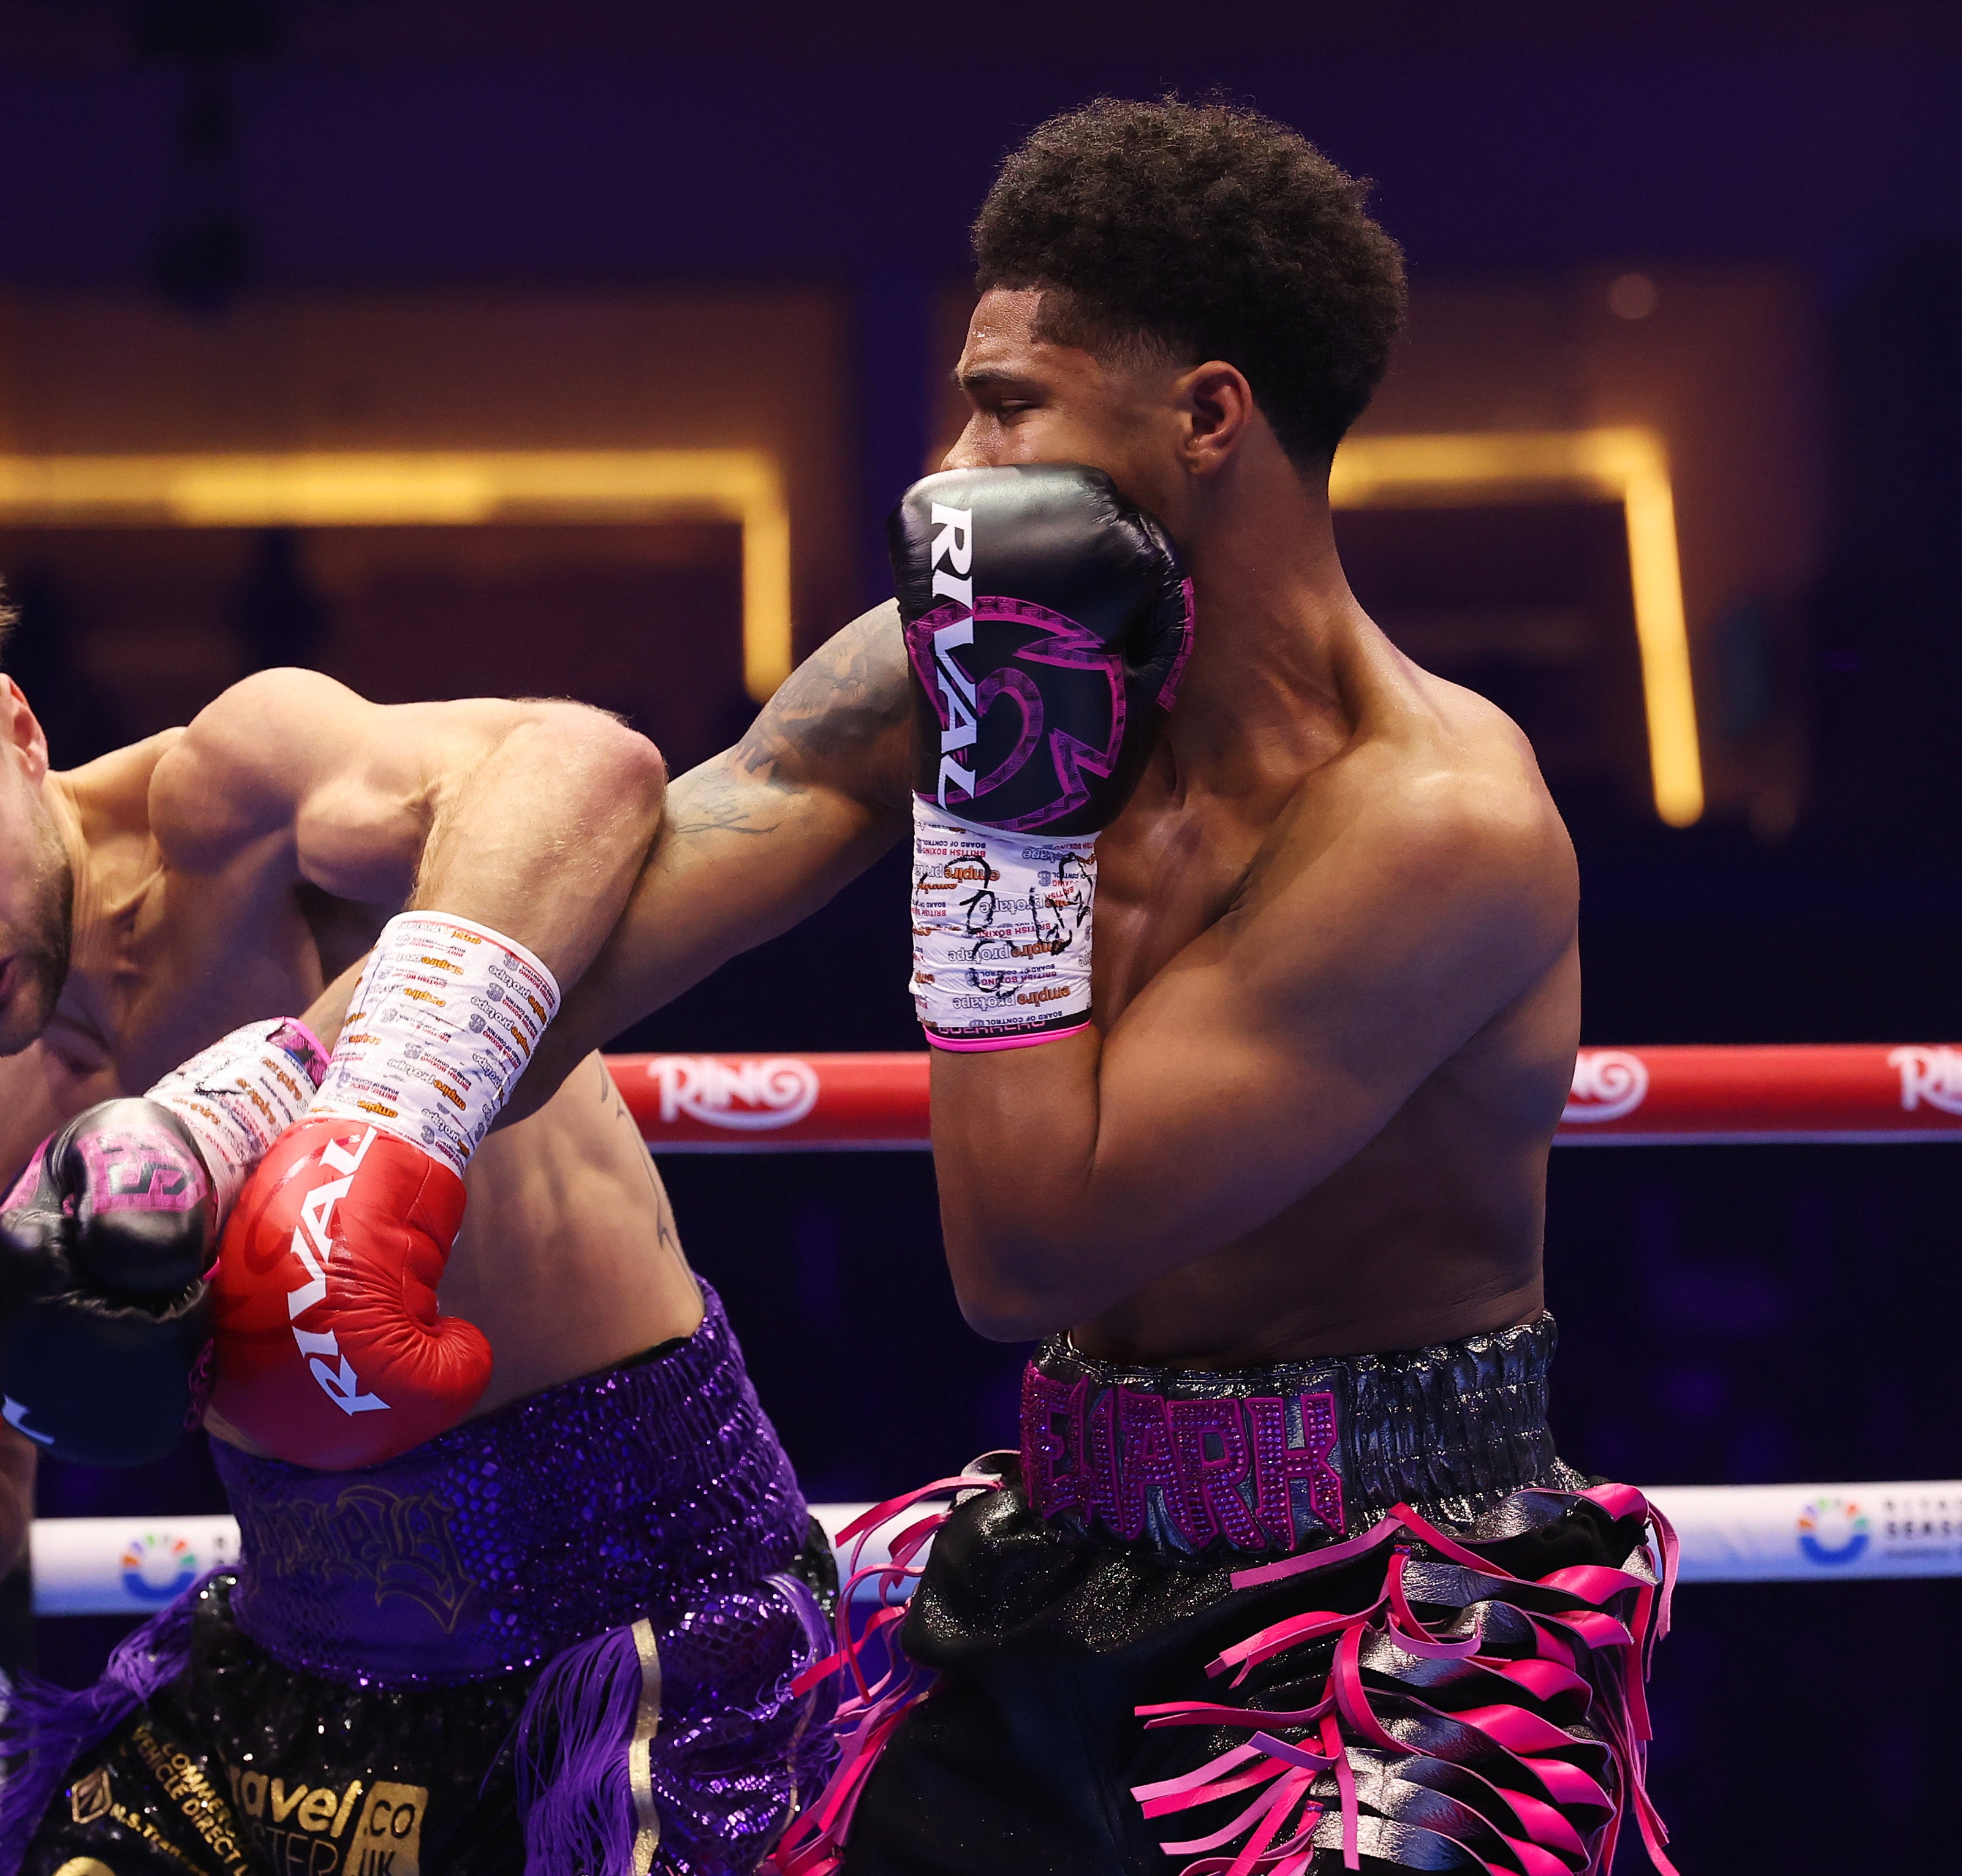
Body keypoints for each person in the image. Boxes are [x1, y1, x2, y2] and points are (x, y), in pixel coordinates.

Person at [513, 99, 1673, 1876]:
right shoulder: (957, 660)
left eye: (1007, 401)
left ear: (1206, 415)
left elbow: (1026, 1248)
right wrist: (306, 1075)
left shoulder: (1435, 819)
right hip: (1050, 1567)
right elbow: (655, 878)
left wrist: (1002, 810)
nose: (952, 458)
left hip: (1386, 1633)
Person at [0, 521, 833, 1875]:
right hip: (302, 1677)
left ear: (19, 730)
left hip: (645, 1625)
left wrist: (380, 1106)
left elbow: (579, 766)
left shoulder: (243, 805)